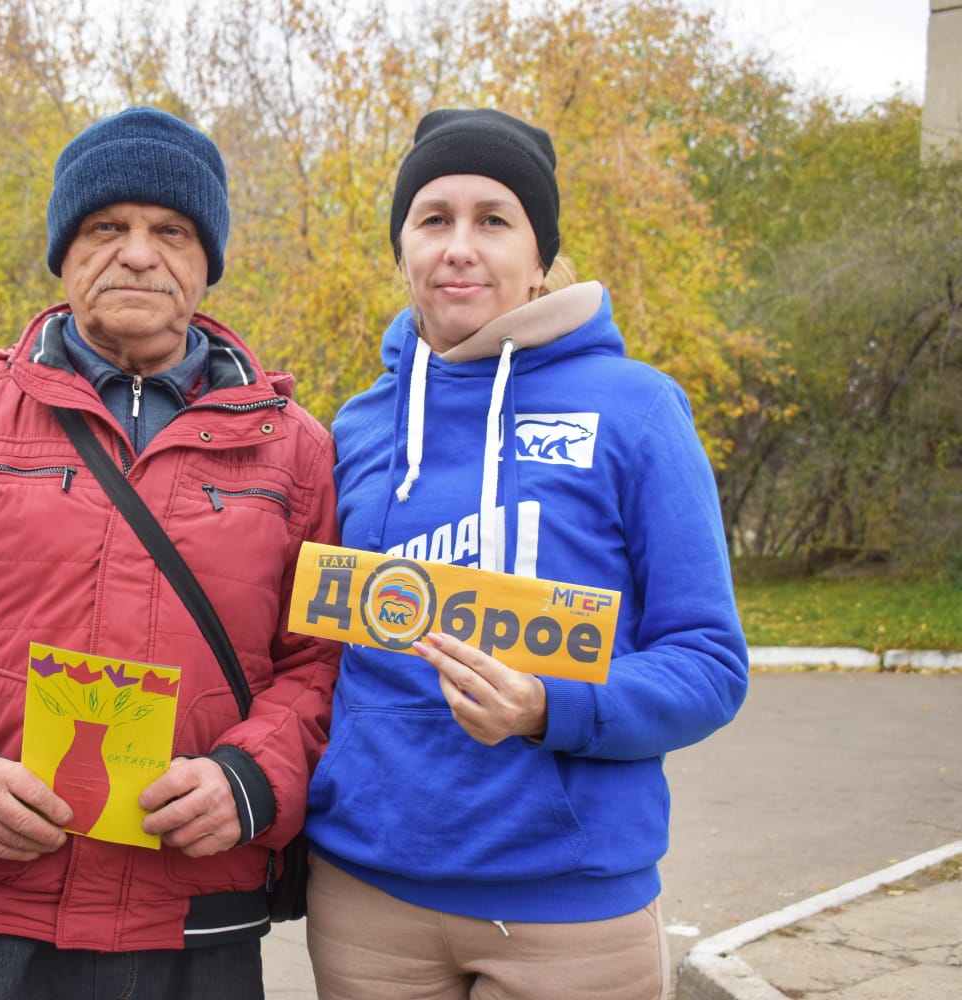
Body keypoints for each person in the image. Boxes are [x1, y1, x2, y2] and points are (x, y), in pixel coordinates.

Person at [0, 106, 340, 1000]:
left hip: (197, 922)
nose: (137, 254)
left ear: (207, 259)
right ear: (63, 251)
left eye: (170, 231)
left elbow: (319, 666)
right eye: (106, 227)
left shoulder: (296, 451)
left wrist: (252, 779)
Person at [302, 108, 750, 999]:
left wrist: (551, 706)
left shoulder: (636, 408)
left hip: (568, 906)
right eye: (434, 219)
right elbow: (316, 653)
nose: (459, 247)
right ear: (402, 251)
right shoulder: (356, 427)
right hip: (366, 897)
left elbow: (709, 663)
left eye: (494, 220)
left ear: (540, 256)